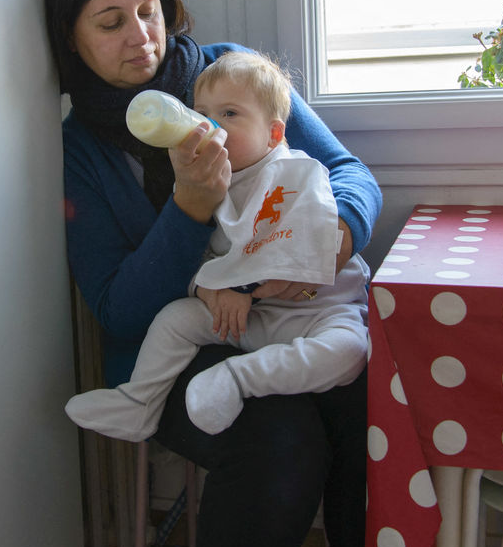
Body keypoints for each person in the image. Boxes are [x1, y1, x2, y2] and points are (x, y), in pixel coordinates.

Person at [45, 0, 382, 547]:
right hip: (170, 350)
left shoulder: (229, 77)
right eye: (110, 23)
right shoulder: (81, 148)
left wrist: (331, 242)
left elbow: (349, 173)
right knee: (280, 443)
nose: (141, 36)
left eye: (148, 10)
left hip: (289, 311)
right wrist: (189, 208)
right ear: (70, 39)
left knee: (362, 395)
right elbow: (118, 311)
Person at [65, 50, 370, 440]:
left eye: (229, 114)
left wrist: (241, 287)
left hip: (317, 312)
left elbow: (295, 244)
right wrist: (207, 288)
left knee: (349, 352)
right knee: (176, 319)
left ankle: (238, 377)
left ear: (274, 134)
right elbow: (199, 256)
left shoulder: (295, 173)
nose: (210, 125)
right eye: (202, 112)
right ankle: (138, 402)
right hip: (253, 318)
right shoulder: (207, 179)